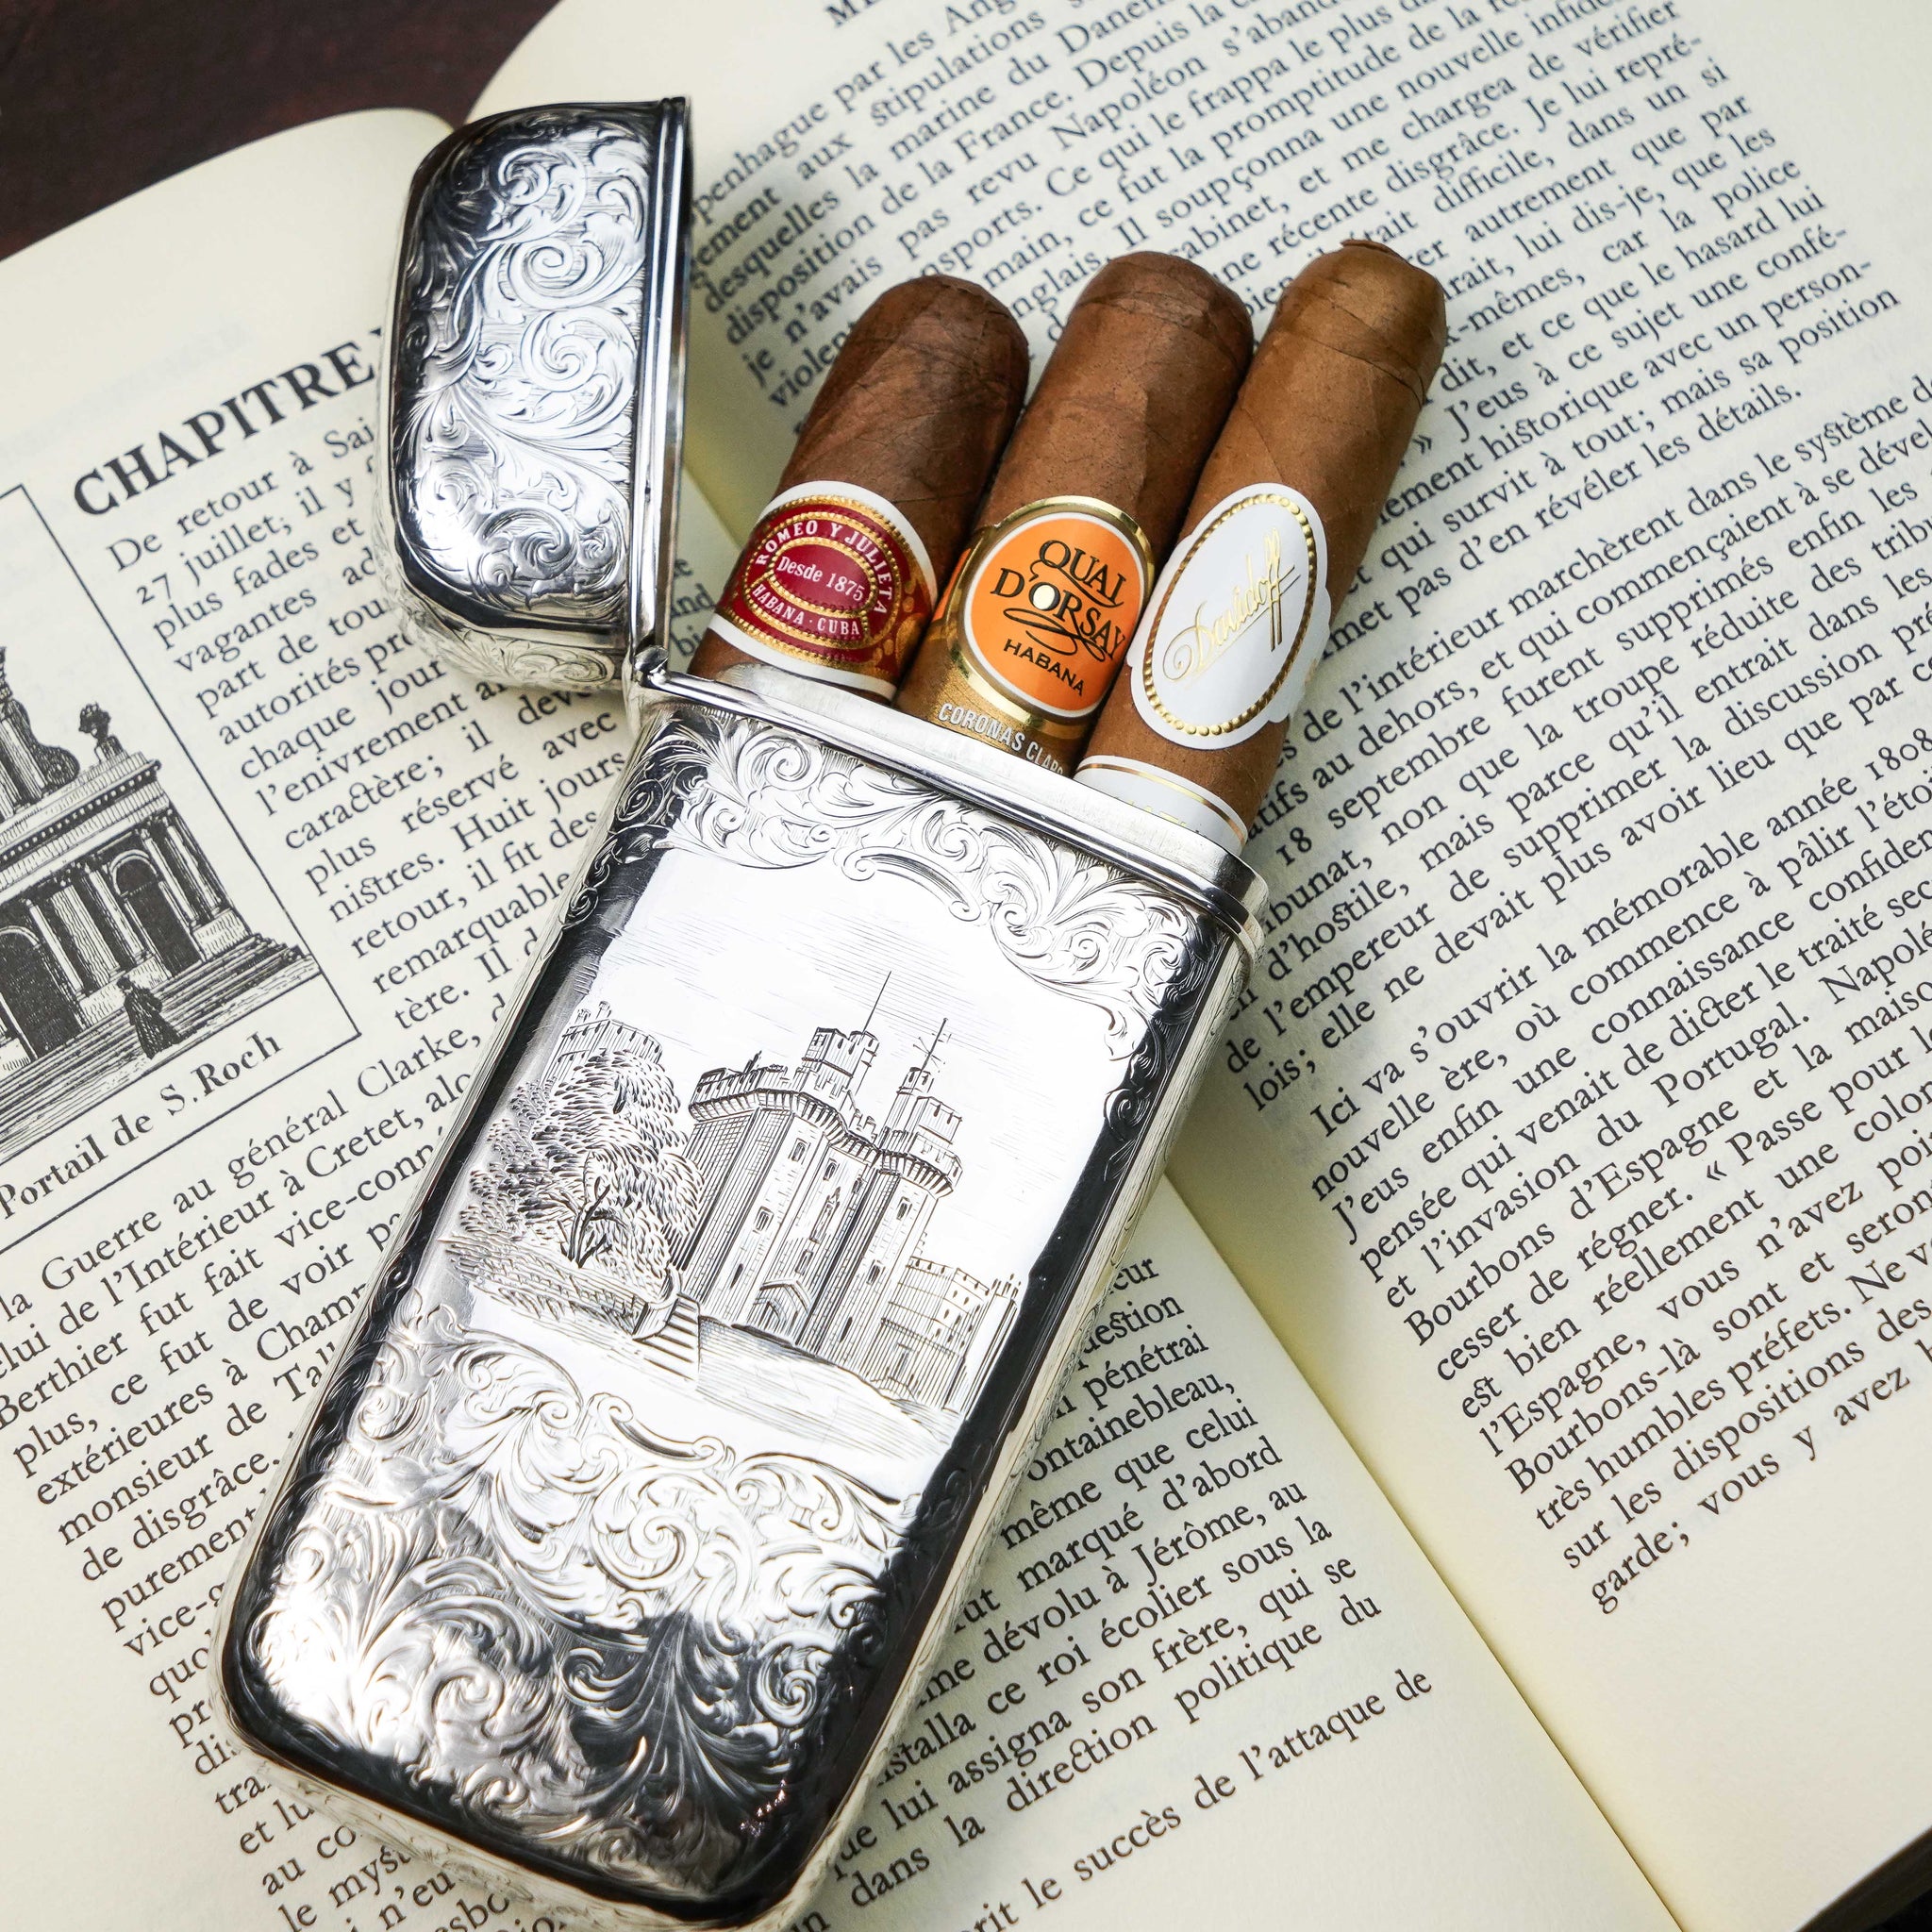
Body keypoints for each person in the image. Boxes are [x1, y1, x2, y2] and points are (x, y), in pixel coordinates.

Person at [119, 974, 178, 1056]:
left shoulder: (142, 993)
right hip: (142, 1022)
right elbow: (131, 1015)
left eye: (123, 989)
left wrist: (154, 1008)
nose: (123, 991)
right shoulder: (128, 1001)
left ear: (126, 987)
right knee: (148, 1036)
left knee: (162, 1028)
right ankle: (156, 1049)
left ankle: (168, 1042)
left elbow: (154, 1001)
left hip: (151, 1016)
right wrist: (135, 1019)